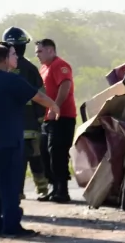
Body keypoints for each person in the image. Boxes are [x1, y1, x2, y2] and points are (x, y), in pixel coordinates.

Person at [0, 44, 60, 237]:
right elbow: (38, 97)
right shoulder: (12, 80)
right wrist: (54, 106)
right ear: (3, 59)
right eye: (12, 54)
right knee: (9, 187)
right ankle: (11, 227)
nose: (16, 57)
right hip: (9, 142)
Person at [2, 27, 49, 200]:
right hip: (30, 124)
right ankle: (42, 189)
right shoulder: (30, 68)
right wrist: (39, 118)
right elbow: (41, 95)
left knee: (18, 160)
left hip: (13, 124)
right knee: (34, 157)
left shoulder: (4, 69)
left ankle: (19, 191)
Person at [35, 38, 77, 203]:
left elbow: (65, 85)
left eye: (40, 51)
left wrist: (55, 107)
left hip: (62, 117)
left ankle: (62, 190)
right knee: (45, 152)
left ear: (50, 50)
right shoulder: (43, 68)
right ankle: (53, 187)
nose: (37, 55)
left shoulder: (60, 65)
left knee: (57, 153)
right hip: (47, 119)